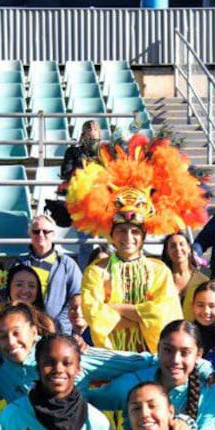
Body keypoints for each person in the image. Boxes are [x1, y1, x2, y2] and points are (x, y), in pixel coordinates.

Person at [71, 136, 205, 353]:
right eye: (122, 231)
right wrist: (142, 316)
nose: (128, 237)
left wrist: (113, 309)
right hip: (110, 358)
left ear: (143, 237)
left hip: (150, 358)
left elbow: (164, 314)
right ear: (111, 236)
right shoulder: (95, 272)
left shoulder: (159, 270)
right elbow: (93, 315)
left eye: (135, 231)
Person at [88, 320, 215, 430]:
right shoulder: (134, 383)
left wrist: (186, 425)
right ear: (158, 349)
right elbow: (87, 400)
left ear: (199, 355)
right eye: (168, 350)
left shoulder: (210, 393)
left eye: (185, 352)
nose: (175, 360)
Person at [0, 302, 147, 405]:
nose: (11, 341)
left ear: (33, 331)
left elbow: (137, 363)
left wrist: (98, 398)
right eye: (3, 336)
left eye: (17, 333)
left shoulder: (66, 353)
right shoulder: (0, 373)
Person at [12, 214, 82, 333]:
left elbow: (76, 296)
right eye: (36, 231)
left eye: (46, 232)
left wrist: (57, 326)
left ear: (53, 234)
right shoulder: (18, 264)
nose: (41, 235)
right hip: (26, 329)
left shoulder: (67, 264)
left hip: (58, 332)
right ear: (30, 234)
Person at [161, 231, 207, 302]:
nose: (178, 249)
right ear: (167, 251)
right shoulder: (161, 278)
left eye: (181, 244)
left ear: (189, 248)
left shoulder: (203, 281)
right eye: (173, 246)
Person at [58, 119, 102, 189]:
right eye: (91, 140)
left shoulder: (104, 154)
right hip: (78, 189)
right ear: (83, 136)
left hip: (100, 190)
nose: (93, 143)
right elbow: (66, 173)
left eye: (96, 140)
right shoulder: (72, 152)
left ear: (100, 136)